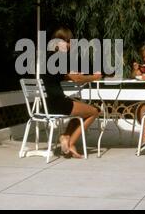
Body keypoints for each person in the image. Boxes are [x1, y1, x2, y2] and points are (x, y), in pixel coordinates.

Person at [41, 27, 102, 158]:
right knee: (94, 111)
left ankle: (65, 137)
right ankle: (70, 142)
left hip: (46, 103)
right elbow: (78, 79)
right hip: (57, 102)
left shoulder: (48, 56)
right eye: (67, 41)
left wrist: (72, 75)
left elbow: (60, 76)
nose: (69, 45)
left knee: (82, 111)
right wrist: (94, 77)